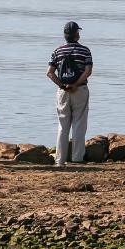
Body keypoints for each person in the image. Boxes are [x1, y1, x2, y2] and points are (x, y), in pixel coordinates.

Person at [48, 21, 94, 167]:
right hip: (80, 90)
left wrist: (62, 85)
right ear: (77, 34)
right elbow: (88, 71)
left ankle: (59, 160)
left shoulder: (57, 51)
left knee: (63, 126)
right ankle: (77, 159)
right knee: (79, 124)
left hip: (62, 91)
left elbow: (49, 73)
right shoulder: (85, 50)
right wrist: (75, 84)